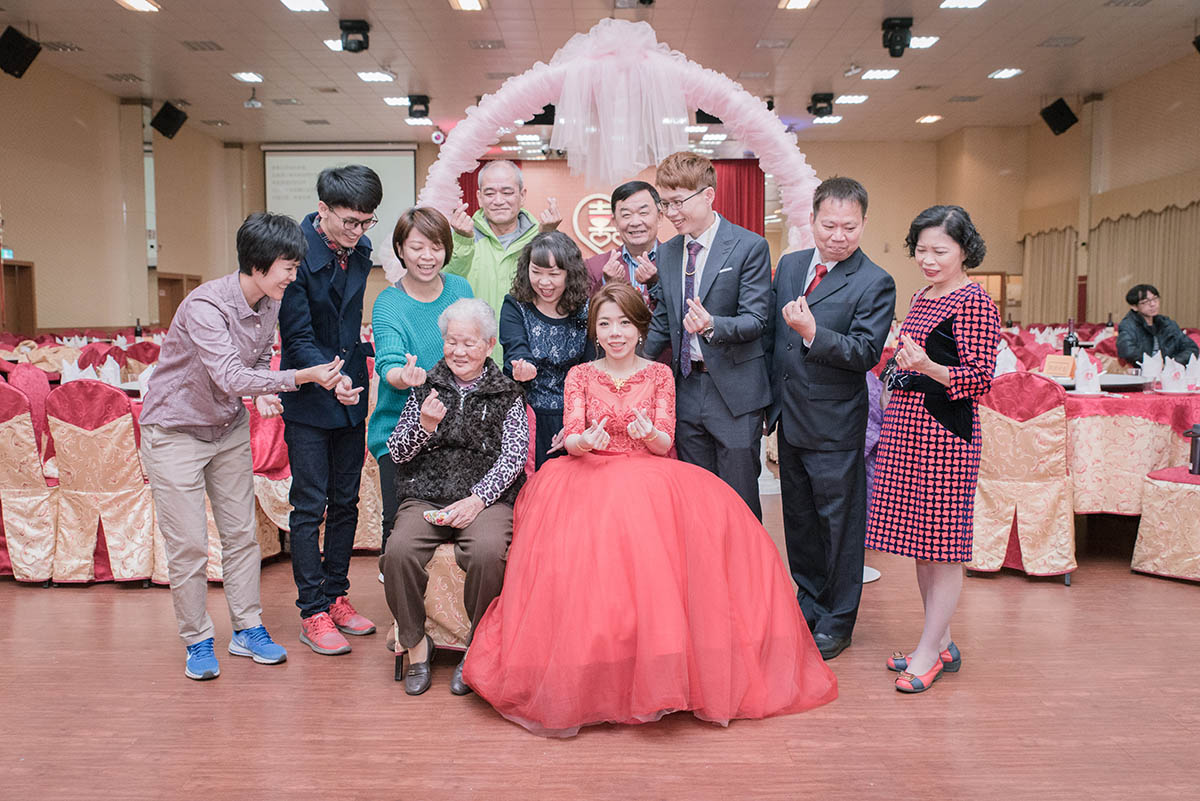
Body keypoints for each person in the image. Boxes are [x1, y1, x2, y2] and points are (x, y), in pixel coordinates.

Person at [464, 284, 837, 737]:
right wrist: (585, 442)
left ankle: (659, 668)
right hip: (588, 474)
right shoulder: (580, 375)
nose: (615, 332)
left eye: (624, 322)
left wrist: (647, 435)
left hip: (648, 474)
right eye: (605, 324)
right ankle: (595, 671)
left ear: (640, 328)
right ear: (594, 332)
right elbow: (572, 435)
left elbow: (665, 442)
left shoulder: (659, 374)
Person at [140, 212, 346, 681]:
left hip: (227, 429)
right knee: (190, 546)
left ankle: (247, 628)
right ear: (258, 265)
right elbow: (231, 375)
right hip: (174, 431)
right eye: (288, 268)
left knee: (242, 536)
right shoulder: (205, 306)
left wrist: (262, 392)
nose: (293, 276)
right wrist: (301, 377)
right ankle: (197, 638)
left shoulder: (270, 301)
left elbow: (252, 363)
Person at [866, 205, 1000, 694]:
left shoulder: (976, 302)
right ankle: (939, 641)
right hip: (907, 429)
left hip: (945, 436)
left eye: (939, 251)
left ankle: (929, 654)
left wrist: (925, 366)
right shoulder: (923, 296)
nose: (927, 260)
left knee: (943, 550)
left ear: (964, 250)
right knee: (923, 548)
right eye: (921, 250)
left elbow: (979, 380)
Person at [765, 176, 896, 661]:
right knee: (799, 522)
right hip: (790, 418)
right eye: (829, 225)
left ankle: (838, 621)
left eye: (849, 227)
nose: (838, 236)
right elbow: (775, 341)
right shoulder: (792, 265)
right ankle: (808, 604)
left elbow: (864, 352)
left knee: (839, 527)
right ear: (812, 220)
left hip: (836, 425)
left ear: (863, 223)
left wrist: (812, 332)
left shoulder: (875, 281)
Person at [380, 298, 528, 697]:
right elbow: (397, 452)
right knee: (398, 551)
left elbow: (514, 457)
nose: (458, 351)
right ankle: (416, 645)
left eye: (469, 342)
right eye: (451, 341)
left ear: (490, 344)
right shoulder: (426, 386)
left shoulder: (508, 392)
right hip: (426, 494)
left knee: (487, 552)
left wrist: (478, 500)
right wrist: (425, 426)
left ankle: (477, 650)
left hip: (486, 499)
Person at [279, 164, 381, 655]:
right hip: (308, 393)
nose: (358, 231)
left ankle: (337, 595)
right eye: (349, 221)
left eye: (366, 221)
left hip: (349, 391)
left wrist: (349, 378)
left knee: (346, 501)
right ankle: (312, 610)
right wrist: (329, 376)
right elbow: (296, 337)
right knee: (309, 505)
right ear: (323, 210)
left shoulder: (359, 250)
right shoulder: (294, 255)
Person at [643, 152, 773, 519]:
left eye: (678, 202)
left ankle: (743, 559)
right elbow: (663, 321)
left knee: (738, 498)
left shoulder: (748, 246)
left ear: (708, 195)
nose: (671, 213)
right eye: (665, 204)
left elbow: (756, 320)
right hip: (687, 389)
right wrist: (635, 368)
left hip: (734, 392)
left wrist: (712, 324)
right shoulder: (668, 252)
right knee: (695, 498)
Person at [369, 207, 473, 552]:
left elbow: (473, 348)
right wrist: (405, 375)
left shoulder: (460, 288)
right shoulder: (389, 303)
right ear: (400, 249)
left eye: (436, 247)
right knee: (398, 527)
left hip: (455, 431)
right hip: (400, 432)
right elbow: (388, 364)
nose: (427, 256)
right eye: (417, 247)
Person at [444, 160, 563, 361]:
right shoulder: (462, 236)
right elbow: (447, 287)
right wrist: (462, 241)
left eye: (507, 192)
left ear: (522, 195)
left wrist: (547, 239)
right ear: (479, 197)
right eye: (490, 193)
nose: (498, 200)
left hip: (528, 358)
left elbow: (561, 290)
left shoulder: (541, 236)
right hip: (472, 359)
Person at [499, 231, 593, 468]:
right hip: (527, 416)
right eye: (536, 272)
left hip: (575, 416)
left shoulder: (586, 309)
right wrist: (522, 367)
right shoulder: (515, 306)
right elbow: (515, 348)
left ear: (570, 273)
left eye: (553, 274)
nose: (544, 282)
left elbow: (591, 369)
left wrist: (576, 423)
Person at [584, 179, 663, 302]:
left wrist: (655, 284)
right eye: (626, 215)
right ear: (614, 223)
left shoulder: (679, 260)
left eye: (643, 213)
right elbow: (586, 312)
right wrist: (606, 283)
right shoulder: (595, 266)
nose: (635, 222)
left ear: (659, 217)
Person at [1116, 284, 1198, 366]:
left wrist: (1172, 363)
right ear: (1134, 307)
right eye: (1145, 302)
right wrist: (1153, 364)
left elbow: (1191, 348)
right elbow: (1127, 352)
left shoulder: (1167, 324)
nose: (1153, 304)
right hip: (1143, 370)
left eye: (1155, 299)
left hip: (1170, 369)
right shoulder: (1128, 325)